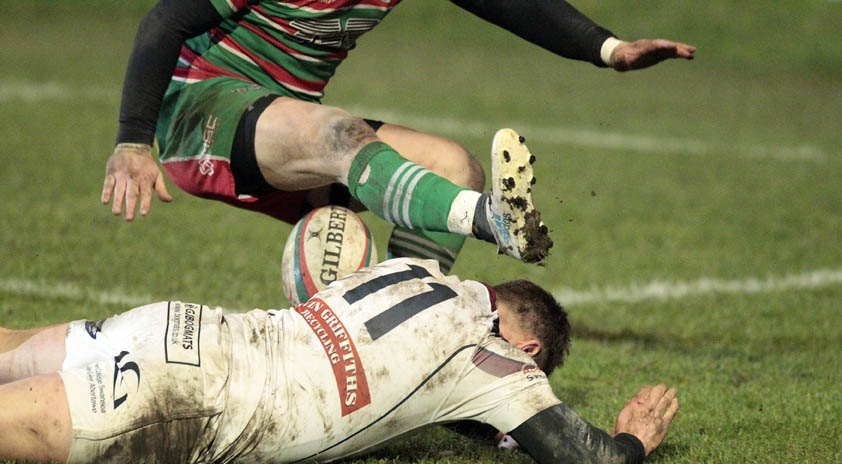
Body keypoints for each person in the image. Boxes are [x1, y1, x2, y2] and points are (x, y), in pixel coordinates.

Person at [100, 0, 696, 271]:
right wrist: (132, 142)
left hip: (288, 124)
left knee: (454, 166)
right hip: (203, 109)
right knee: (340, 134)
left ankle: (398, 334)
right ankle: (493, 221)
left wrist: (608, 49)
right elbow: (165, 19)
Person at [0, 258, 678, 464]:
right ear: (529, 351)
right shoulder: (494, 357)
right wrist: (633, 440)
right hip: (193, 398)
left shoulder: (414, 269)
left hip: (186, 325)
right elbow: (580, 460)